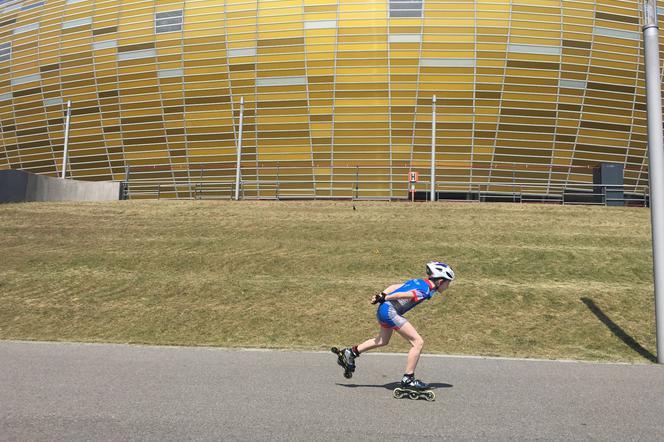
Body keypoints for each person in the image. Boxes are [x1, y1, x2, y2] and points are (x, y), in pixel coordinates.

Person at [338, 261, 455, 390]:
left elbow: (394, 286)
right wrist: (386, 297)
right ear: (440, 281)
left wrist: (381, 295)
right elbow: (403, 294)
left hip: (384, 309)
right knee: (418, 342)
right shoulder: (425, 290)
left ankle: (351, 352)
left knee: (382, 340)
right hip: (390, 311)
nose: (448, 286)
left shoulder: (419, 281)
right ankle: (408, 379)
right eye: (448, 283)